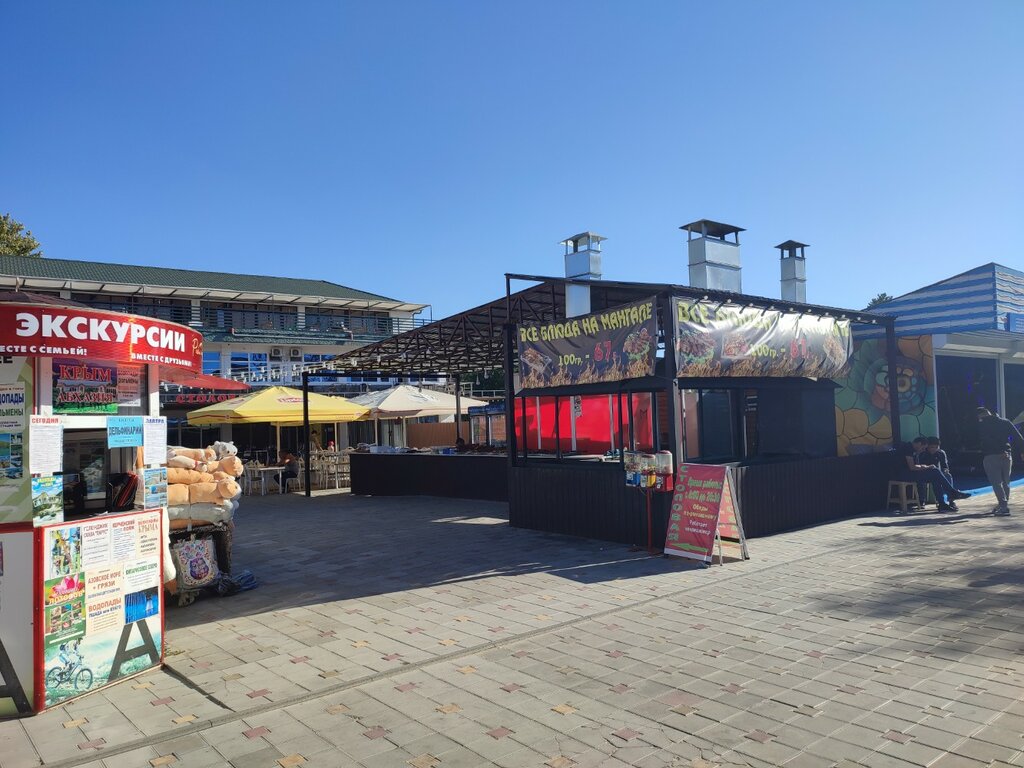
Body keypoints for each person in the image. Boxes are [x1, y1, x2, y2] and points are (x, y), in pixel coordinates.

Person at [892, 436, 971, 511]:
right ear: (919, 444)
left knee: (935, 477)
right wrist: (927, 467)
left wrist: (926, 467)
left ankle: (942, 503)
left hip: (909, 473)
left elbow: (915, 466)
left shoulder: (913, 450)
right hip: (903, 475)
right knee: (935, 471)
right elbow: (912, 467)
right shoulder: (908, 448)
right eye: (923, 448)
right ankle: (952, 492)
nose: (923, 450)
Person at [976, 407, 1024, 516]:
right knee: (1006, 481)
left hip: (991, 455)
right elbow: (1018, 437)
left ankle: (1003, 506)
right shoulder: (1005, 422)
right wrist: (1022, 451)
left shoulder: (982, 425)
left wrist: (998, 450)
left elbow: (988, 440)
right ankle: (1003, 504)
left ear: (980, 415)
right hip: (1007, 455)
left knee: (996, 482)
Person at [920, 436, 957, 511]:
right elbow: (919, 466)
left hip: (937, 474)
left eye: (936, 447)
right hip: (925, 474)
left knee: (947, 476)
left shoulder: (941, 453)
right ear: (927, 446)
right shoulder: (922, 453)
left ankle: (950, 501)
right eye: (932, 447)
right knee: (935, 478)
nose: (934, 449)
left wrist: (945, 470)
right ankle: (923, 500)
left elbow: (944, 466)